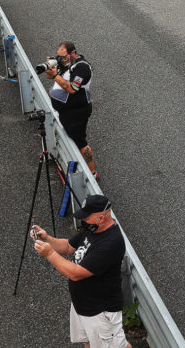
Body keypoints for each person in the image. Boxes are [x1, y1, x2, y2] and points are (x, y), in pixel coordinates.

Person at [31, 194, 129, 348]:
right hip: (83, 305)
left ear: (101, 217)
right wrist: (47, 239)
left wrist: (50, 254)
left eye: (87, 217)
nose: (83, 220)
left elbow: (76, 273)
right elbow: (67, 247)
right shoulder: (92, 229)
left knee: (115, 345)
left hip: (101, 311)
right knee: (89, 341)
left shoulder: (111, 243)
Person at [47, 41, 96, 174]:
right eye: (59, 56)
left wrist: (54, 76)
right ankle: (75, 166)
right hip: (67, 111)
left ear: (73, 53)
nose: (61, 59)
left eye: (64, 56)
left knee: (80, 142)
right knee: (71, 138)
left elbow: (72, 89)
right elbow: (56, 78)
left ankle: (92, 173)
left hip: (77, 112)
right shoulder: (67, 64)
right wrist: (51, 68)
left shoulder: (82, 68)